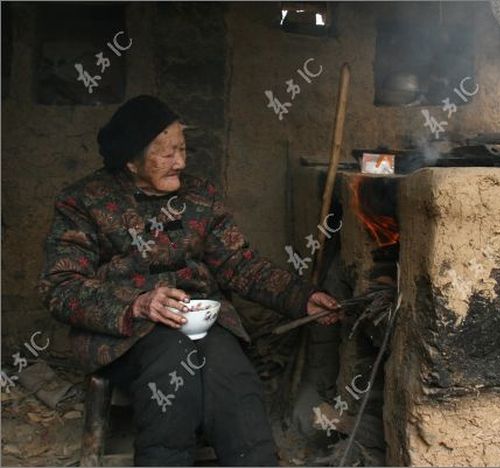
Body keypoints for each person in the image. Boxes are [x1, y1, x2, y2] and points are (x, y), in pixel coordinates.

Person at [39, 95, 341, 466]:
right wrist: (136, 304)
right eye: (166, 154)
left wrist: (301, 297)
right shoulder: (83, 202)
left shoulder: (199, 196)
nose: (180, 162)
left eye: (182, 149)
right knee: (171, 364)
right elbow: (61, 287)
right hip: (126, 334)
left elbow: (238, 263)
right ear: (130, 161)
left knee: (231, 372)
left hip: (203, 323)